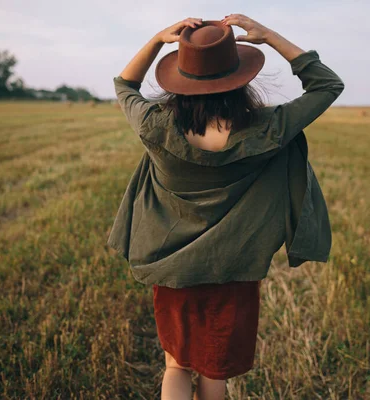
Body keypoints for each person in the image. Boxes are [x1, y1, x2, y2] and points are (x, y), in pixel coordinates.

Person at [110, 13, 344, 400]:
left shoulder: (155, 125)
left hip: (173, 271)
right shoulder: (269, 128)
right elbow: (327, 84)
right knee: (215, 373)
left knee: (176, 365)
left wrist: (156, 41)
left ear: (181, 81)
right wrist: (268, 36)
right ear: (240, 80)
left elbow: (124, 85)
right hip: (234, 273)